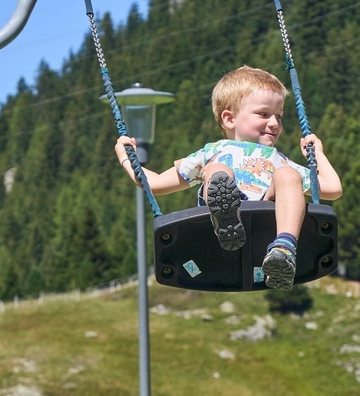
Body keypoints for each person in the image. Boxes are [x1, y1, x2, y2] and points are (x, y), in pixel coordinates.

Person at [114, 65, 342, 289]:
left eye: (279, 116)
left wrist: (317, 154)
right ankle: (224, 213)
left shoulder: (280, 160)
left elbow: (333, 188)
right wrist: (126, 158)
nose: (274, 123)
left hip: (264, 223)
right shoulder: (212, 152)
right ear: (229, 119)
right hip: (210, 233)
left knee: (288, 175)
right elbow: (154, 183)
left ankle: (283, 248)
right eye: (264, 114)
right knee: (218, 169)